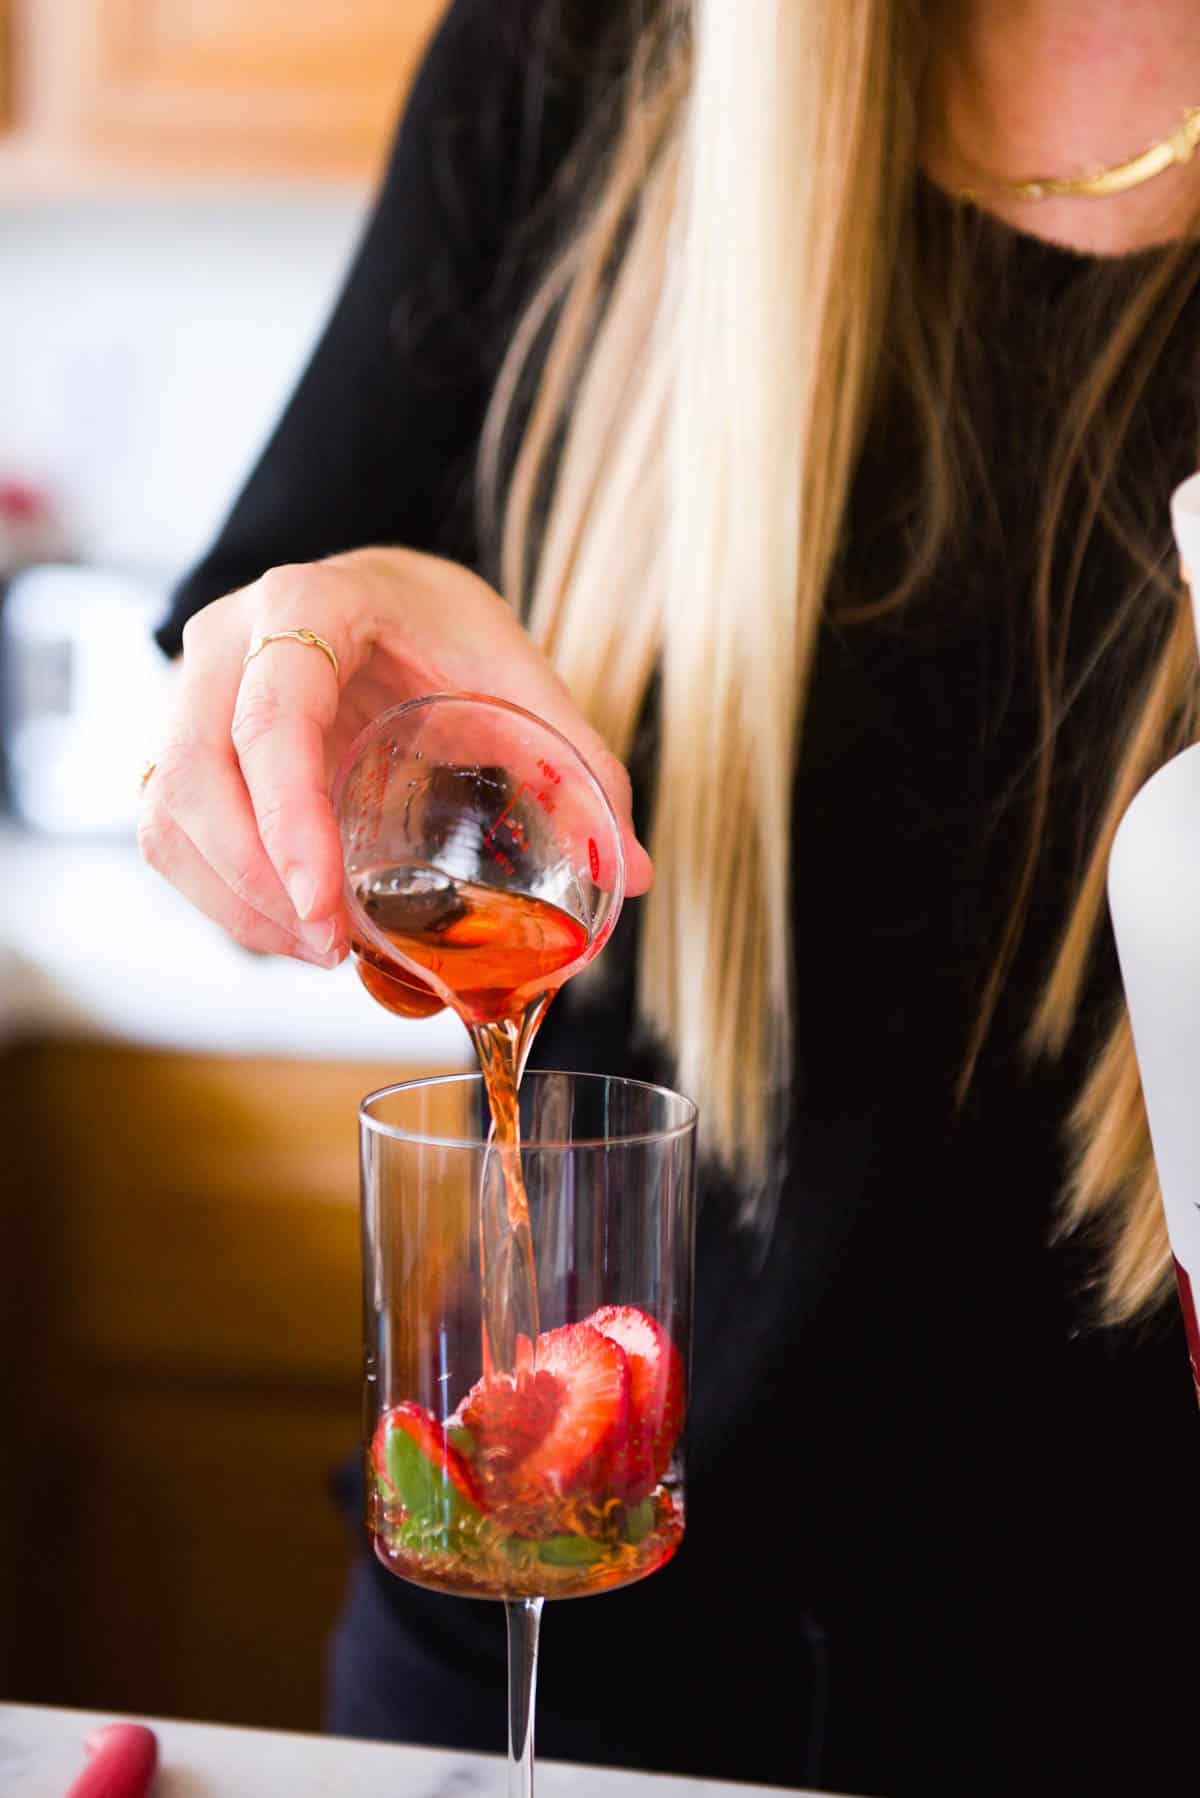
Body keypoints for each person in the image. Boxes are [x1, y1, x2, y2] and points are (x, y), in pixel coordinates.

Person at [140, 1, 1200, 1791]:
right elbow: (272, 629)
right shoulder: (582, 41)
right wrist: (328, 662)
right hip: (524, 1654)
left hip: (1120, 1684)